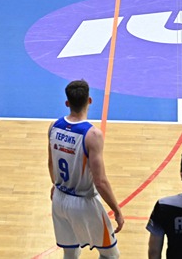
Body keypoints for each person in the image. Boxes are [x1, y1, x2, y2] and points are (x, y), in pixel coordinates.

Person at [48, 79, 123, 259]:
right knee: (110, 255)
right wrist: (117, 210)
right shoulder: (93, 134)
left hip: (59, 199)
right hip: (83, 202)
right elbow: (100, 182)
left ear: (67, 103)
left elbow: (50, 163)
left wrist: (56, 185)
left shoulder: (53, 127)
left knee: (70, 252)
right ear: (89, 100)